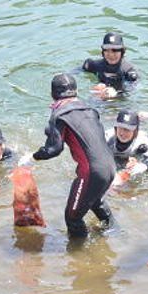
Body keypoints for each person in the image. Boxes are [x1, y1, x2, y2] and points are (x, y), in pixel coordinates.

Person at [29, 73, 116, 237]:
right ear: (75, 91)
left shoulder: (59, 114)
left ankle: (79, 257)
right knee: (94, 201)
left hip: (92, 172)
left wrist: (33, 157)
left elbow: (54, 149)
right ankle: (114, 233)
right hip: (110, 166)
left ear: (52, 94)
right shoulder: (90, 109)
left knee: (72, 217)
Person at [82, 32, 138, 97]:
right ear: (103, 52)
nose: (111, 55)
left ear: (122, 52)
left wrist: (116, 94)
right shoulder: (93, 65)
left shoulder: (128, 70)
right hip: (99, 98)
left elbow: (132, 91)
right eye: (107, 50)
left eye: (115, 50)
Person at [105, 109, 148, 176]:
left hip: (134, 156)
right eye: (120, 128)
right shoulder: (106, 137)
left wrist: (144, 166)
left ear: (135, 131)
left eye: (127, 129)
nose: (122, 133)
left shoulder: (142, 142)